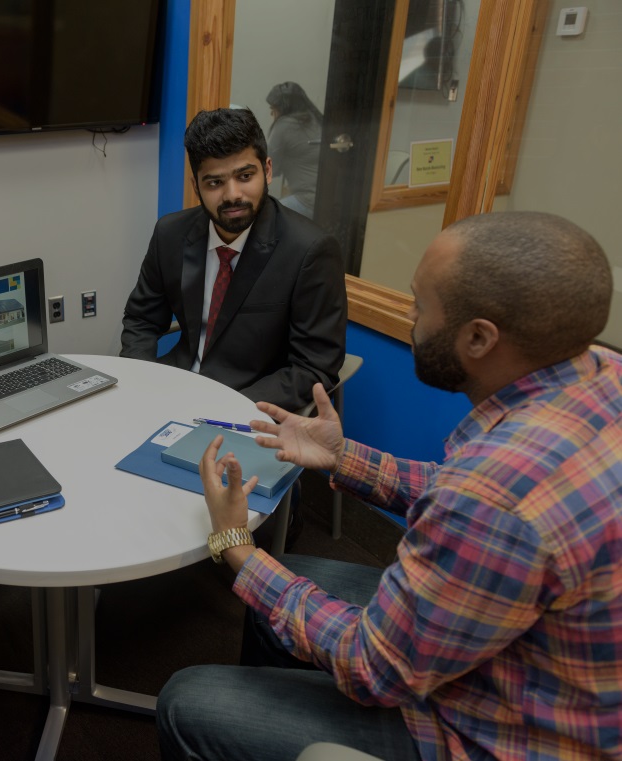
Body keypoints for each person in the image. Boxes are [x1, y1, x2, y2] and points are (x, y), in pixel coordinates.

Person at [156, 211, 622, 761]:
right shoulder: (600, 374)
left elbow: (370, 668)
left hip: (492, 730)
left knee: (186, 701)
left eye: (420, 306)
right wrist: (341, 456)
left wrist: (234, 546)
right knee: (281, 593)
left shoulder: (492, 497)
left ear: (479, 338)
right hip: (541, 661)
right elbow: (466, 495)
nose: (408, 316)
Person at [120, 107, 346, 414]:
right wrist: (142, 381)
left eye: (245, 176)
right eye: (214, 182)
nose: (232, 195)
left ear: (267, 170)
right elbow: (142, 320)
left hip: (248, 408)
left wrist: (224, 407)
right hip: (173, 390)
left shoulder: (310, 251)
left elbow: (313, 368)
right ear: (195, 185)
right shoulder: (170, 234)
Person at [265, 82, 323, 218]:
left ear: (281, 108)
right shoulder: (317, 119)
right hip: (326, 199)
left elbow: (269, 169)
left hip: (307, 201)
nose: (272, 113)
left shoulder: (284, 125)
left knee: (263, 217)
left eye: (273, 109)